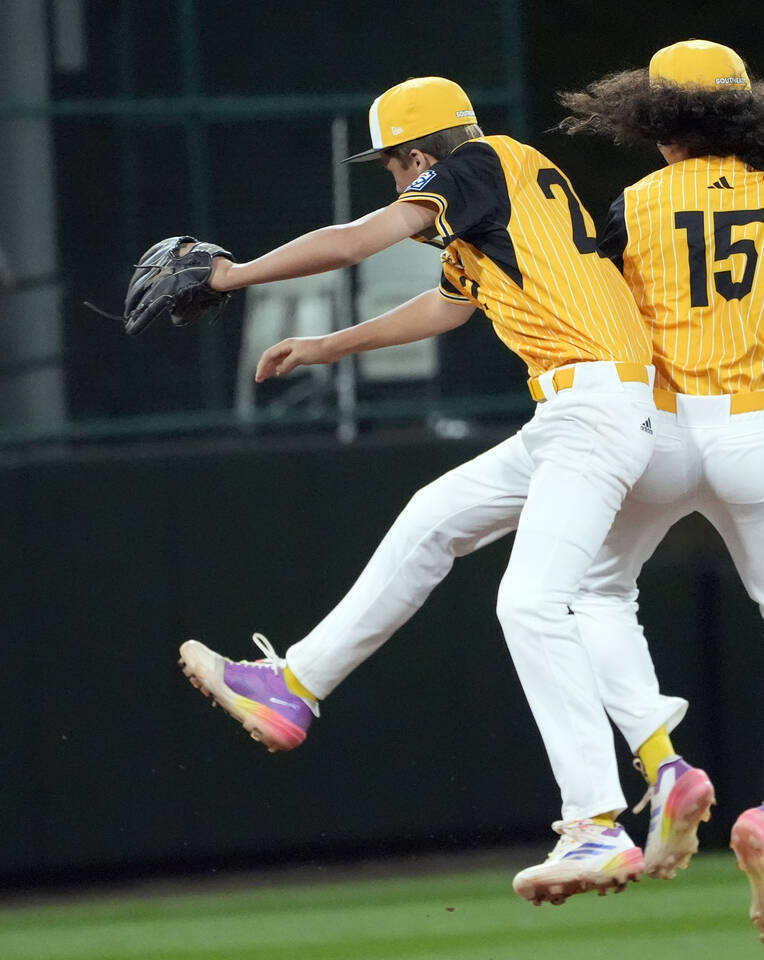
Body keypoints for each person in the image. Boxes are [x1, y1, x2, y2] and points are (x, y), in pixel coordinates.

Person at [177, 76, 658, 904]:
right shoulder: (497, 208)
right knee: (432, 516)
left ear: (422, 155)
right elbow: (444, 308)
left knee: (529, 603)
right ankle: (294, 689)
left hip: (599, 407)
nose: (396, 183)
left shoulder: (475, 165)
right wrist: (327, 346)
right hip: (575, 410)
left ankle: (597, 825)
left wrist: (232, 276)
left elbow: (361, 239)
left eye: (395, 167)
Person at [557, 40, 764, 955]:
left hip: (659, 425)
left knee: (594, 593)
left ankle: (663, 765)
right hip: (755, 423)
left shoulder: (630, 205)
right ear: (748, 111)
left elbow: (601, 338)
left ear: (654, 115)